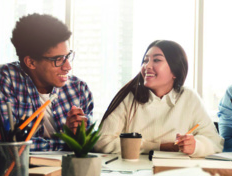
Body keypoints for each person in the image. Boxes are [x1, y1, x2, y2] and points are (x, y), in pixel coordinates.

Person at [94, 40, 223, 157]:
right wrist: (157, 147)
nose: (147, 66)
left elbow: (215, 142)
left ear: (175, 71)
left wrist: (196, 146)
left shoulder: (188, 97)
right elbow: (101, 141)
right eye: (145, 61)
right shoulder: (129, 97)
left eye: (156, 60)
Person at [0, 13, 94, 151]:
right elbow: (9, 143)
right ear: (31, 62)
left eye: (68, 56)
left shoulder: (79, 89)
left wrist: (77, 136)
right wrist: (66, 141)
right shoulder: (6, 78)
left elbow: (88, 144)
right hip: (22, 170)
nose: (68, 66)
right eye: (59, 59)